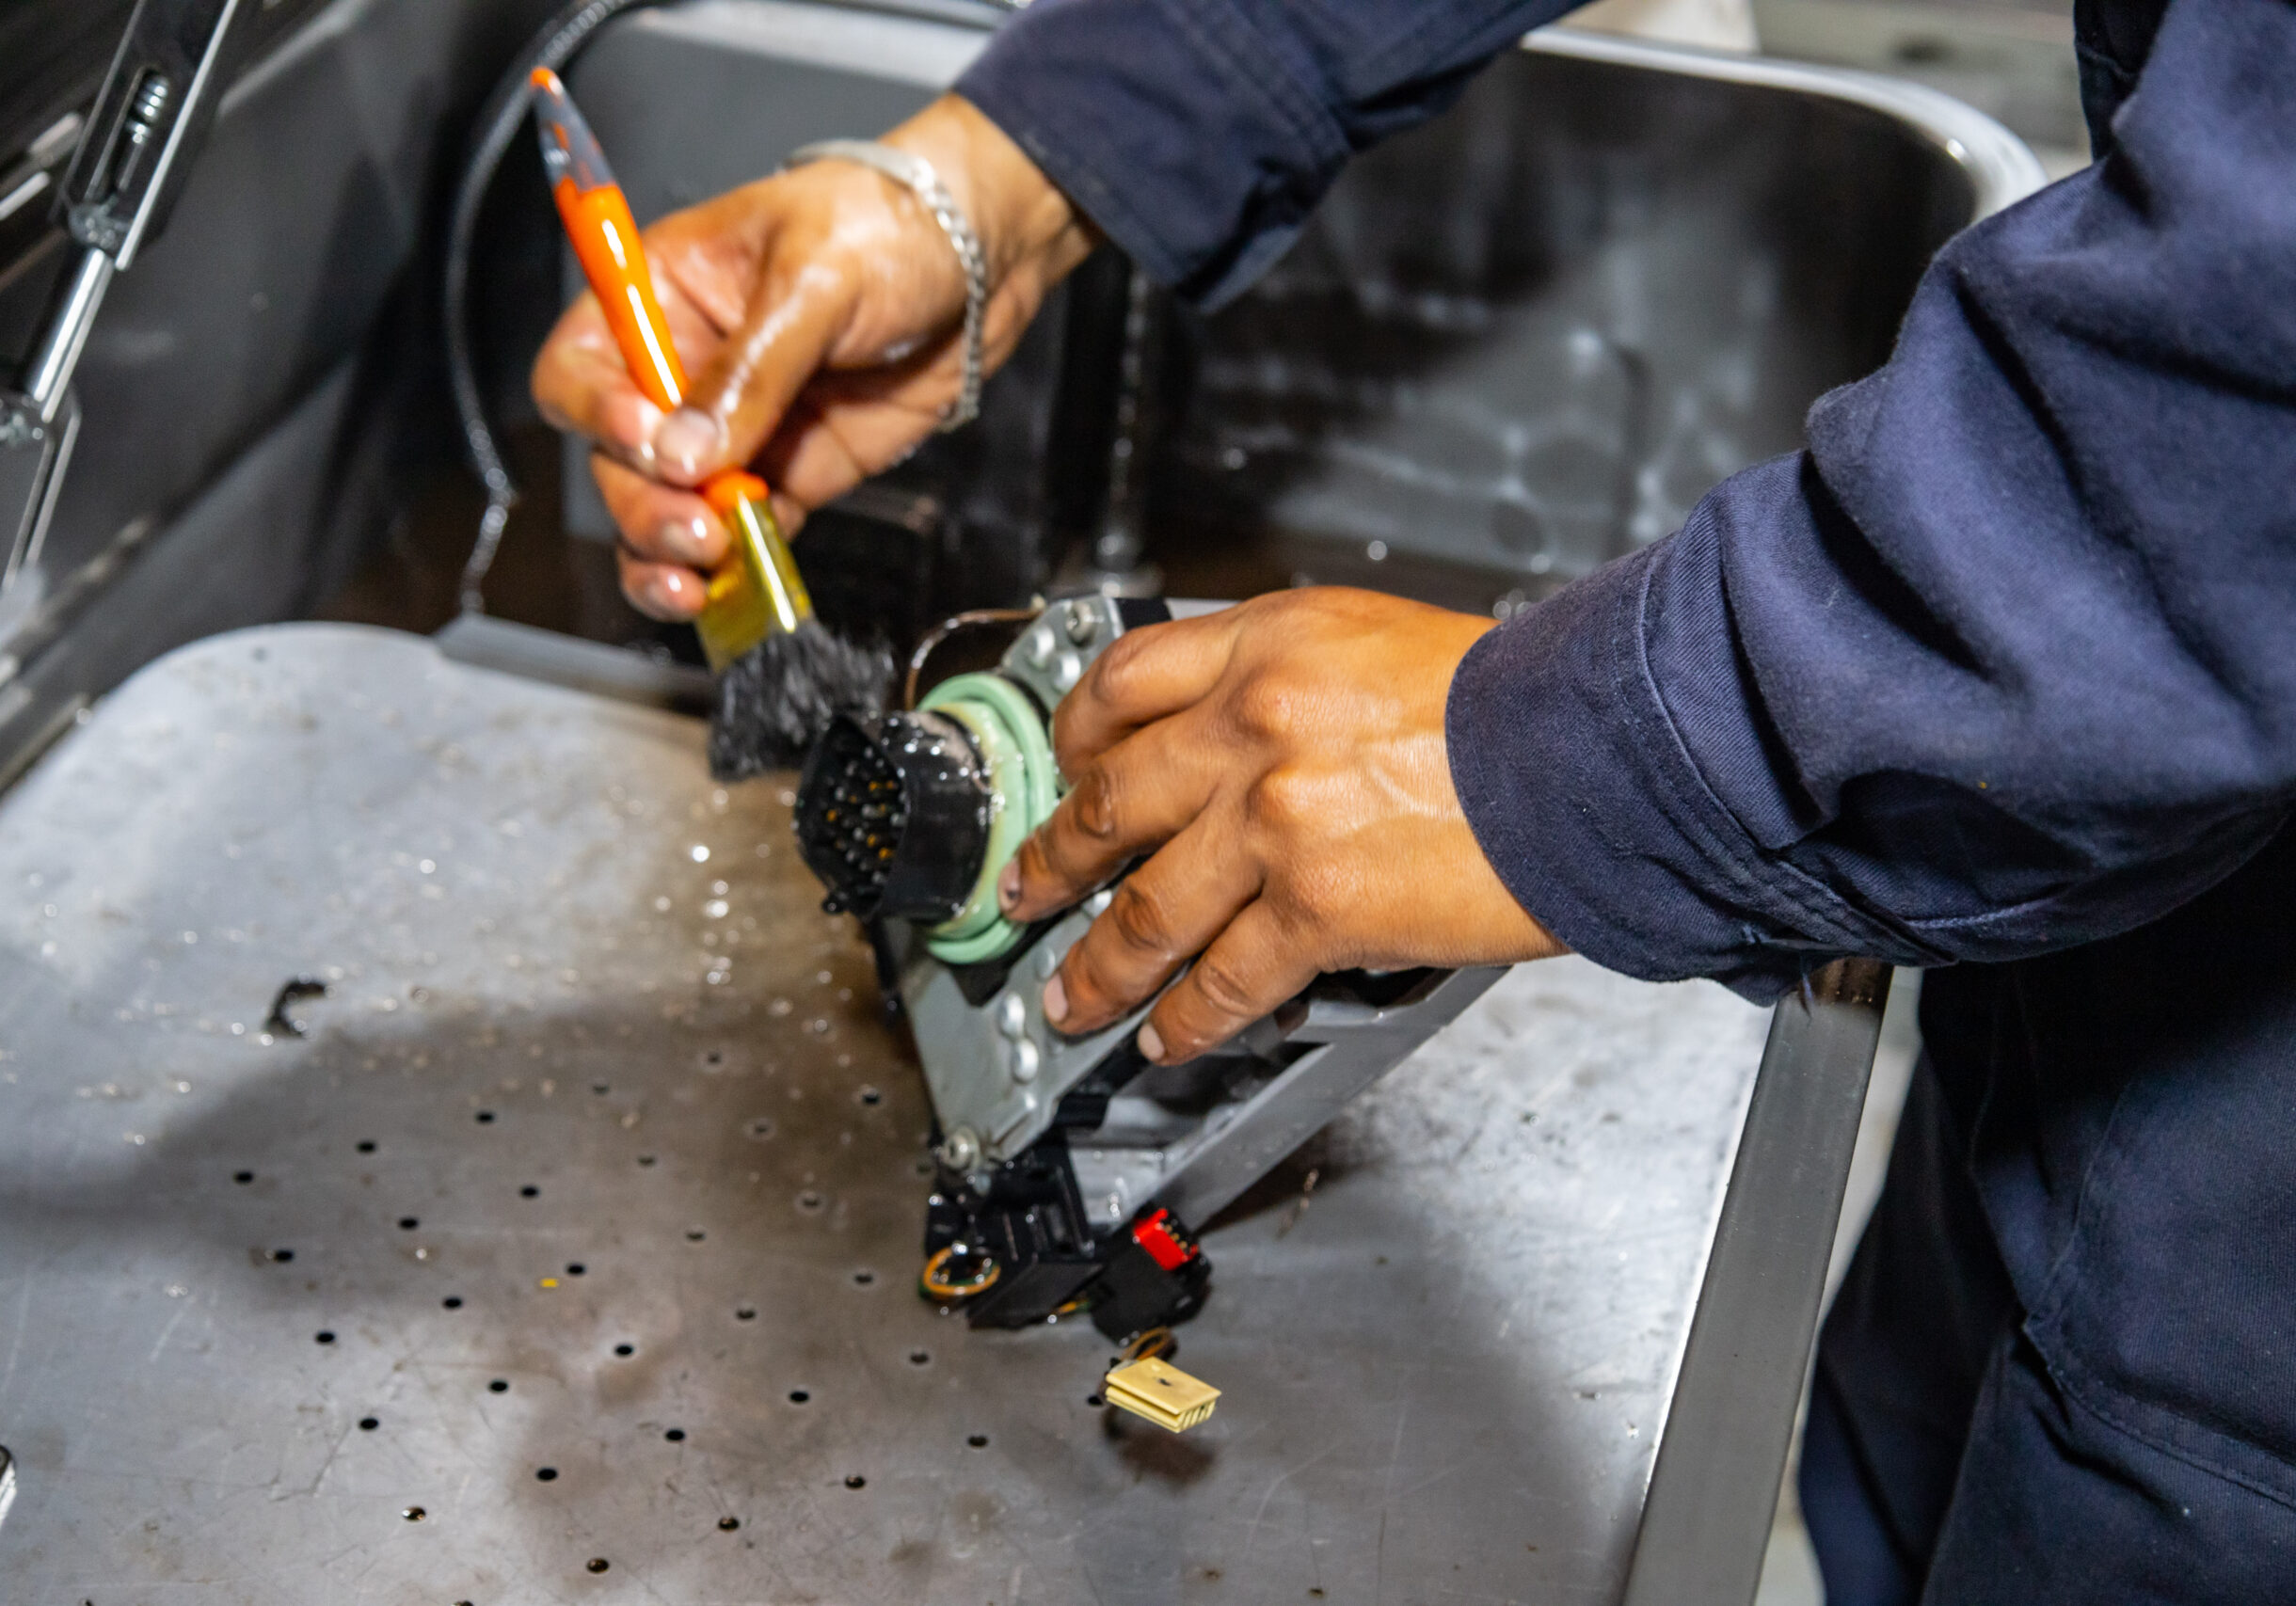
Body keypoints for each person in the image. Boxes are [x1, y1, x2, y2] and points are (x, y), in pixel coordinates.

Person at [532, 0, 2296, 1597]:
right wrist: (1018, 167)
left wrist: (1566, 753)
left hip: (2247, 1316)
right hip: (2085, 1010)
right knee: (1910, 1467)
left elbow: (2227, 444)